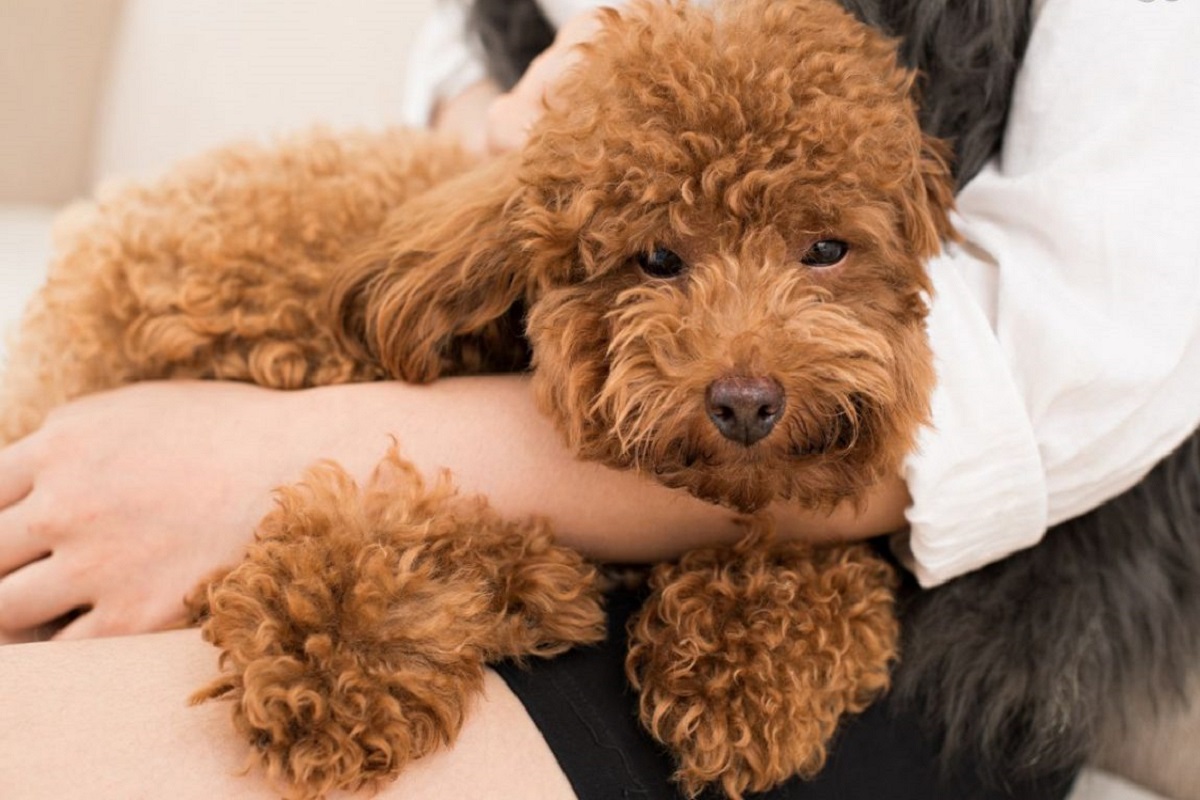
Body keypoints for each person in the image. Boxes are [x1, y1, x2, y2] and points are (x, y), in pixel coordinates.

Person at [0, 0, 1197, 797]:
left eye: (820, 252)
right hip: (521, 375)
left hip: (934, 600)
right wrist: (507, 123)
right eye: (673, 264)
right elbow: (471, 69)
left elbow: (1040, 370)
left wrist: (289, 457)